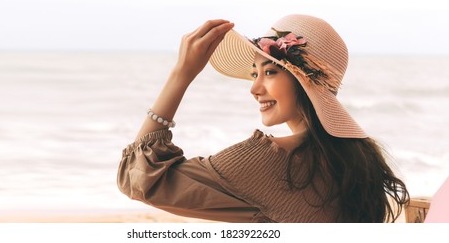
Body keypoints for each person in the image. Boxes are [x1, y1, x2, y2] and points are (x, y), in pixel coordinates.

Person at [117, 14, 409, 222]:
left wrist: (181, 75)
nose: (254, 88)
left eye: (270, 72)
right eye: (255, 73)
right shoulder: (359, 161)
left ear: (302, 82)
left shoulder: (268, 159)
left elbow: (140, 178)